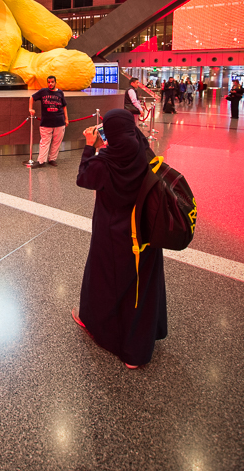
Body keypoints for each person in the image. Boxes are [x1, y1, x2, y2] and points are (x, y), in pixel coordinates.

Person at [72, 109, 167, 368]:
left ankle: (95, 323)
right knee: (141, 287)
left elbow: (84, 178)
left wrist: (91, 147)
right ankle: (137, 352)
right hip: (145, 231)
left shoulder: (105, 161)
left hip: (112, 232)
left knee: (106, 280)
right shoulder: (144, 152)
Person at [28, 75, 68, 168]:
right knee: (44, 142)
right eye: (49, 82)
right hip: (46, 122)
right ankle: (41, 161)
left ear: (55, 82)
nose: (50, 84)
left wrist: (66, 119)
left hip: (59, 122)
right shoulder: (43, 91)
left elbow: (64, 106)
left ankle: (52, 159)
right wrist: (30, 108)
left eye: (52, 82)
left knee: (57, 142)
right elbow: (32, 97)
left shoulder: (60, 93)